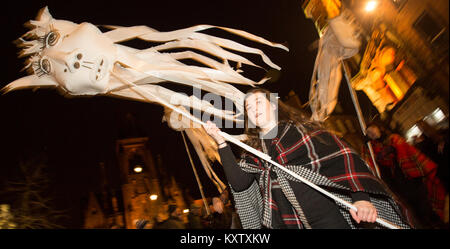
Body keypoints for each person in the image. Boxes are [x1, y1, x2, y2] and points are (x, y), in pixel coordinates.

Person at [204, 88, 412, 229]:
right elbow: (239, 183)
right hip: (289, 222)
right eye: (248, 108)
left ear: (273, 105)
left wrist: (361, 198)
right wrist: (220, 142)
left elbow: (344, 160)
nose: (253, 109)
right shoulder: (254, 150)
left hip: (330, 218)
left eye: (258, 102)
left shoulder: (303, 132)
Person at [363, 121, 447, 228]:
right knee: (415, 212)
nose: (372, 133)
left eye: (372, 129)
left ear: (379, 128)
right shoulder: (372, 148)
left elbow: (404, 149)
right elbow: (369, 162)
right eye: (368, 133)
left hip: (412, 178)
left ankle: (439, 225)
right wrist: (366, 146)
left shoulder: (393, 138)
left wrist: (391, 150)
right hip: (398, 184)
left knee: (425, 207)